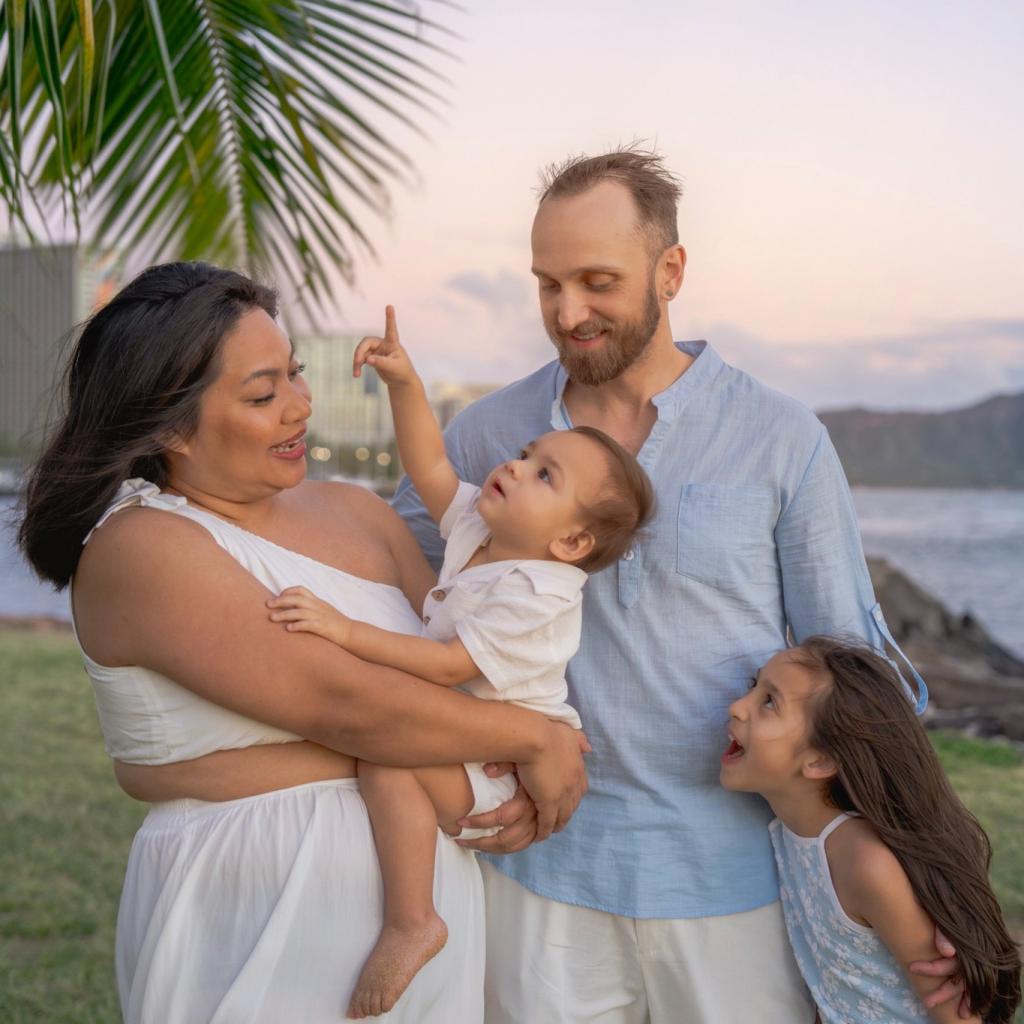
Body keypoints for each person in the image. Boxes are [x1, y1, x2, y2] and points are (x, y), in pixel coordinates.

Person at [392, 147, 966, 1022]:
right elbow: (401, 605)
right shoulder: (489, 434)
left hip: (736, 885)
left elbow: (851, 684)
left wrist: (916, 882)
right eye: (547, 285)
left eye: (596, 281)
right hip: (536, 872)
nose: (567, 312)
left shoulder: (782, 438)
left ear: (671, 270)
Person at [17, 262, 587, 1024]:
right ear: (164, 425)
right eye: (262, 394)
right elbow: (350, 704)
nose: (300, 406)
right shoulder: (141, 545)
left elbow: (452, 683)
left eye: (294, 374)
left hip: (429, 910)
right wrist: (538, 740)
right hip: (255, 912)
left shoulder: (358, 512)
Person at [266, 307, 654, 1018]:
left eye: (544, 476)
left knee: (386, 756)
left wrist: (341, 630)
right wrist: (405, 383)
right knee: (388, 746)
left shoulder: (537, 592)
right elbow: (431, 465)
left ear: (571, 543)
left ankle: (414, 921)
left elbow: (446, 666)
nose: (515, 465)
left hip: (493, 766)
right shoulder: (484, 529)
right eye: (529, 452)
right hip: (466, 732)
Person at [721, 636, 1021, 1024]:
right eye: (753, 687)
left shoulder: (867, 865)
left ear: (821, 759)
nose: (736, 706)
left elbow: (959, 1015)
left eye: (769, 702)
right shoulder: (790, 831)